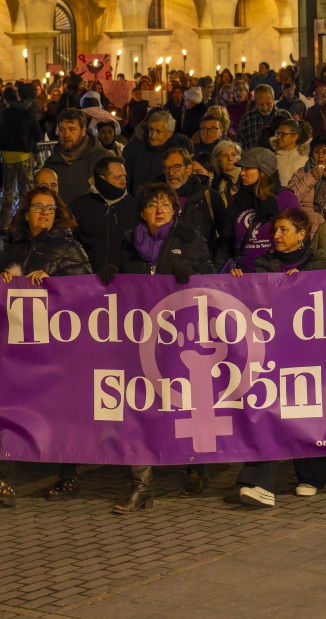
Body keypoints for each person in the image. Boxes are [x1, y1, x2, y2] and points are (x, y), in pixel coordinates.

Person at [0, 187, 91, 504]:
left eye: (49, 209)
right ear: (26, 213)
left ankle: (68, 478)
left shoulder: (68, 247)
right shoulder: (16, 246)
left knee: (60, 413)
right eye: (37, 207)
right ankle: (2, 478)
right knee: (6, 408)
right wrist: (4, 280)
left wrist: (55, 285)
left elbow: (89, 291)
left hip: (57, 348)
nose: (43, 213)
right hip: (19, 346)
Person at [114, 183, 215, 512]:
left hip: (181, 336)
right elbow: (117, 283)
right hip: (138, 336)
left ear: (175, 210)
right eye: (153, 204)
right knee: (136, 408)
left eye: (166, 205)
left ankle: (195, 467)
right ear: (142, 211)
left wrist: (193, 274)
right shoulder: (129, 240)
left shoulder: (190, 238)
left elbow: (213, 281)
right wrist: (107, 276)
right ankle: (141, 486)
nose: (160, 209)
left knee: (185, 405)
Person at [233, 208, 326, 507]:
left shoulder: (319, 264)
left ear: (302, 235)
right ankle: (258, 479)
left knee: (310, 410)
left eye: (284, 230)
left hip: (312, 351)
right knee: (271, 410)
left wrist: (304, 285)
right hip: (275, 352)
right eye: (275, 230)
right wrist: (238, 281)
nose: (276, 235)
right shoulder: (264, 264)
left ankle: (310, 476)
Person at [221, 147, 301, 272]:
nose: (242, 172)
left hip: (276, 276)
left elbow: (301, 239)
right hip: (241, 278)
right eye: (242, 168)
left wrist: (296, 268)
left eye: (248, 168)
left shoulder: (285, 198)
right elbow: (227, 243)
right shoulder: (236, 200)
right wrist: (230, 268)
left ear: (264, 171)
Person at [69, 156, 138, 274]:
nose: (124, 181)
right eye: (118, 177)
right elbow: (68, 244)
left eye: (124, 176)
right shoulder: (79, 205)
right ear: (102, 179)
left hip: (126, 281)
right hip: (88, 281)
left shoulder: (135, 206)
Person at [162, 147, 227, 259]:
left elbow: (227, 236)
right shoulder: (156, 198)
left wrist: (216, 264)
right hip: (166, 269)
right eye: (167, 168)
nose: (171, 173)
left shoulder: (210, 197)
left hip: (201, 269)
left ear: (189, 169)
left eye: (176, 167)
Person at [0, 86, 44, 231]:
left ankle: (4, 224)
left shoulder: (2, 114)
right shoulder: (26, 114)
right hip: (23, 155)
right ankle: (26, 221)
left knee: (8, 192)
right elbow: (38, 134)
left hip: (6, 156)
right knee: (26, 192)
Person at [42, 109, 109, 205]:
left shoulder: (102, 159)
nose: (66, 135)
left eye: (72, 129)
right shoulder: (50, 164)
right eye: (62, 129)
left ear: (83, 131)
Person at [124, 110, 191, 193]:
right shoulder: (133, 148)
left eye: (158, 131)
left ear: (169, 133)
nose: (153, 135)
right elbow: (125, 180)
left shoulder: (177, 153)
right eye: (151, 130)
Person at [238, 84, 291, 150]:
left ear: (273, 100)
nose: (265, 108)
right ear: (255, 102)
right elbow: (239, 144)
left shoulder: (284, 115)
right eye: (261, 104)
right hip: (254, 158)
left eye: (268, 104)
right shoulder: (247, 119)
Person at [272, 118, 310, 186]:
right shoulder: (272, 156)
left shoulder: (306, 157)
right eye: (277, 133)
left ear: (295, 136)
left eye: (283, 134)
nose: (278, 137)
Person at [212, 139, 243, 204]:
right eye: (225, 155)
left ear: (238, 158)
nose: (230, 158)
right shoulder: (218, 184)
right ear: (218, 161)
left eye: (233, 154)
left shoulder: (246, 176)